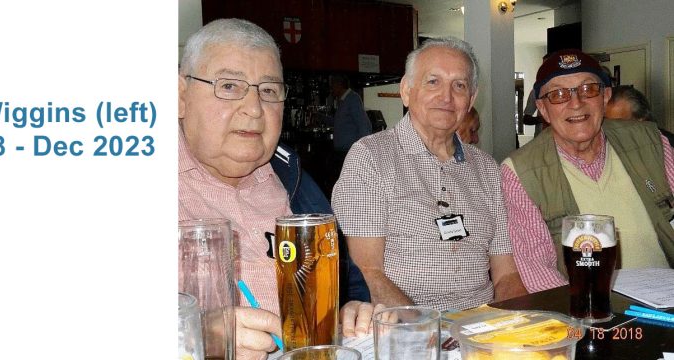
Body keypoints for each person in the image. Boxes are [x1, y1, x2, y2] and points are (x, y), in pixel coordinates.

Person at [178, 18, 377, 359]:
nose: (255, 109)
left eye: (269, 91)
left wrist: (352, 311)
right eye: (229, 86)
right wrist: (190, 337)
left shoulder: (297, 182)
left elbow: (349, 284)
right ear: (180, 96)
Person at [331, 37, 528, 311]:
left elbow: (506, 274)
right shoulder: (370, 158)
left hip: (479, 329)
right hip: (406, 330)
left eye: (459, 85)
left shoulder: (487, 169)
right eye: (433, 82)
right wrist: (427, 332)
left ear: (471, 99)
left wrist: (519, 327)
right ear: (406, 90)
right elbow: (368, 274)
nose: (446, 97)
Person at [501, 49, 674, 293]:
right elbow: (538, 271)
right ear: (543, 109)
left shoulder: (650, 141)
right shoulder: (520, 173)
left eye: (587, 90)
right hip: (583, 311)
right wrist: (587, 317)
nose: (576, 103)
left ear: (605, 97)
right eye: (559, 94)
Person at [606, 85, 674, 145]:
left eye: (618, 124)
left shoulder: (667, 147)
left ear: (642, 121)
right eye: (606, 122)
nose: (610, 130)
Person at [330, 75, 373, 155]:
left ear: (339, 85)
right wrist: (321, 117)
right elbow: (338, 122)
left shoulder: (352, 99)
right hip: (344, 152)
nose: (331, 89)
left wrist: (362, 152)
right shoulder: (343, 100)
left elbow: (363, 125)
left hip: (350, 152)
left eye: (332, 86)